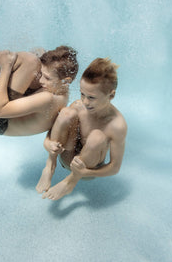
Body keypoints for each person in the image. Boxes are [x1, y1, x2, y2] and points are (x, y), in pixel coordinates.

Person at [0, 30, 79, 136]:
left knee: (30, 61)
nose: (41, 80)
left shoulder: (49, 98)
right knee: (38, 54)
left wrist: (5, 69)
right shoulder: (60, 87)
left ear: (66, 81)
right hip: (5, 112)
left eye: (47, 78)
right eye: (43, 75)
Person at [36, 57, 127, 200]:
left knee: (97, 136)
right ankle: (50, 165)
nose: (85, 101)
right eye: (82, 93)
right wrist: (47, 143)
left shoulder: (117, 125)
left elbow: (114, 167)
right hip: (67, 156)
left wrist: (84, 173)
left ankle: (69, 182)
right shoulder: (80, 105)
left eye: (91, 97)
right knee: (67, 113)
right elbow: (54, 131)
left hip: (86, 169)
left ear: (111, 95)